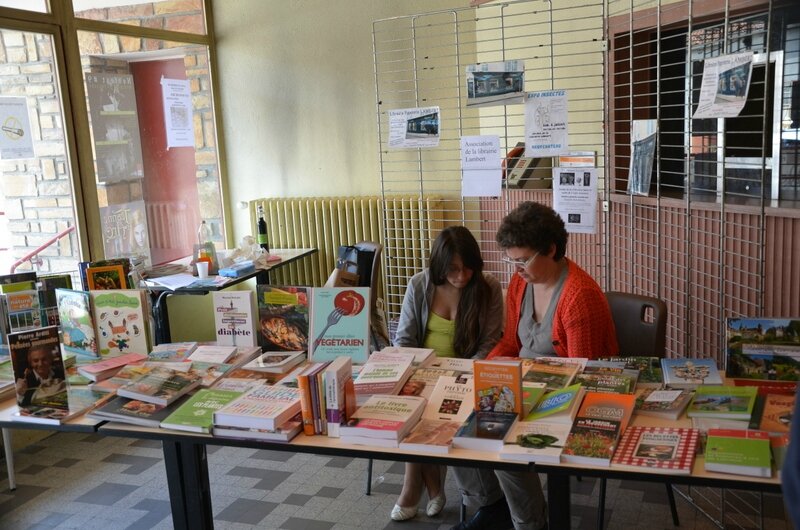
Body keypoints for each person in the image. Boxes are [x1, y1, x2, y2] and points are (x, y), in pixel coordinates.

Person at [450, 201, 618, 530]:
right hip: (526, 385)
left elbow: (584, 374)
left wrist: (521, 388)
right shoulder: (520, 284)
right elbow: (512, 343)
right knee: (459, 419)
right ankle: (491, 504)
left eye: (523, 260)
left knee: (502, 438)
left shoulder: (578, 295)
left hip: (569, 395)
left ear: (551, 249)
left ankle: (530, 523)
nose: (517, 269)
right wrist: (485, 366)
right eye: (511, 261)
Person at [391, 226, 503, 522]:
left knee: (432, 413)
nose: (462, 276)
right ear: (439, 264)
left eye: (468, 268)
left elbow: (490, 343)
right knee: (416, 406)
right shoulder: (419, 285)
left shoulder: (488, 287)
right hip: (423, 373)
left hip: (468, 377)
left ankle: (416, 487)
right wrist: (418, 373)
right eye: (453, 269)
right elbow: (403, 340)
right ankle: (430, 486)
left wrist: (463, 375)